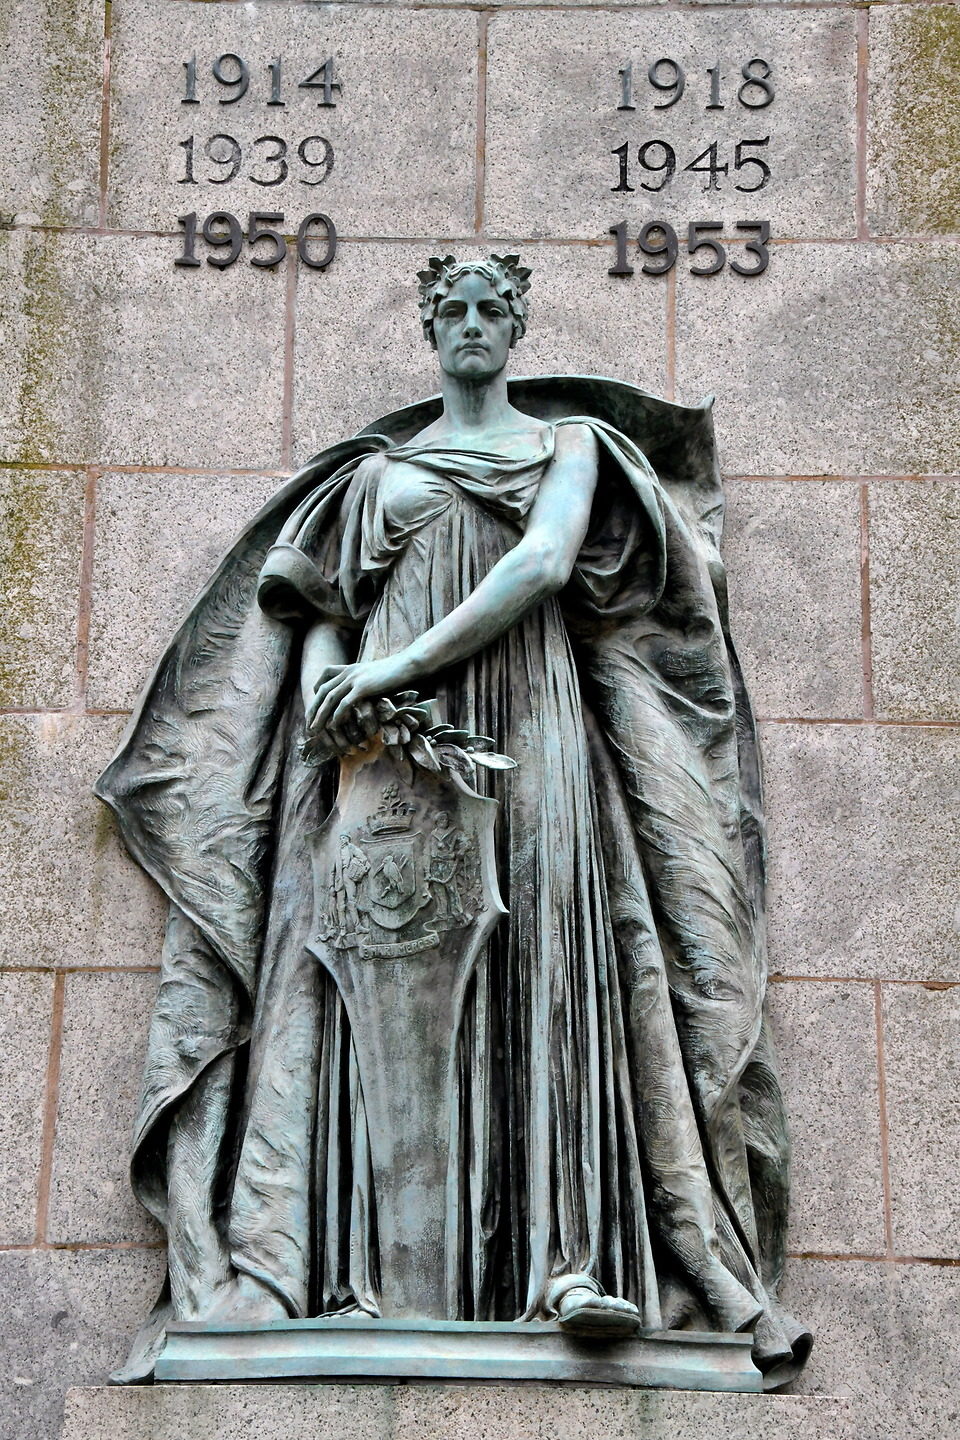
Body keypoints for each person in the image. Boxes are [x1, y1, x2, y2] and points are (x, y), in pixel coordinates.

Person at [96, 254, 810, 1385]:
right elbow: (319, 608)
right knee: (373, 965)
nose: (472, 326)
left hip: (529, 726)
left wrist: (395, 669)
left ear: (514, 327)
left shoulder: (565, 447)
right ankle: (351, 1268)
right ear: (430, 329)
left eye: (491, 310)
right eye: (454, 311)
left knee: (550, 963)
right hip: (391, 759)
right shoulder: (376, 475)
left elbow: (540, 564)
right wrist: (337, 688)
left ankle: (565, 1266)